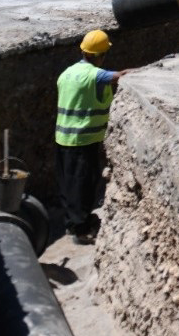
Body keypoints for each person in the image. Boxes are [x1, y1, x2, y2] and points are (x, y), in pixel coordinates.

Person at [55, 29, 129, 245]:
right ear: (100, 54)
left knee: (68, 184)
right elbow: (119, 76)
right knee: (83, 185)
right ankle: (81, 230)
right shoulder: (95, 76)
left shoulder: (67, 73)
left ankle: (74, 223)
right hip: (83, 140)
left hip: (62, 138)